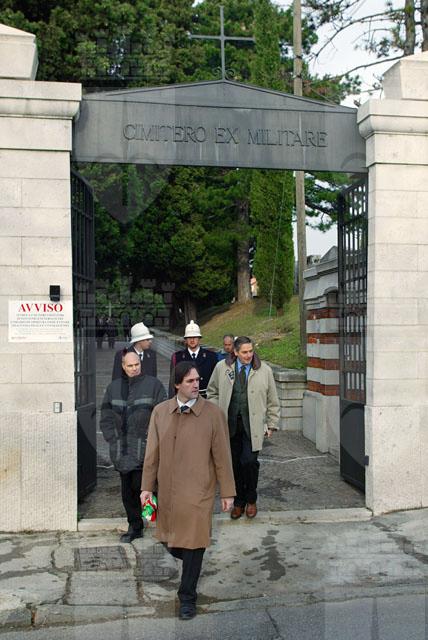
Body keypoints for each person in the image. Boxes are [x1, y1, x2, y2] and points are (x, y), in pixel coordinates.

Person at [140, 361, 235, 621]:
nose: (196, 385)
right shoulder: (160, 412)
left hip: (199, 492)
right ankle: (188, 561)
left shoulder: (213, 414)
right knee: (168, 539)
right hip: (168, 492)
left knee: (195, 543)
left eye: (198, 380)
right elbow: (151, 454)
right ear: (177, 385)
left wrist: (228, 492)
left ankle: (187, 598)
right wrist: (146, 487)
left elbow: (222, 456)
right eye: (190, 381)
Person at [207, 336, 280, 520]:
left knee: (249, 462)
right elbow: (212, 392)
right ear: (235, 352)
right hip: (229, 425)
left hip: (253, 426)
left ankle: (251, 499)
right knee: (234, 465)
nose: (248, 355)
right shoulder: (222, 368)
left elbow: (273, 400)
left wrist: (272, 423)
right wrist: (217, 413)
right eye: (244, 352)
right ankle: (239, 502)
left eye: (251, 351)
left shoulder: (264, 371)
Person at [100, 351, 166, 543]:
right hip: (122, 451)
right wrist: (112, 439)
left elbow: (163, 417)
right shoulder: (113, 388)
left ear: (140, 363)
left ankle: (155, 521)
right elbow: (106, 417)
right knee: (128, 492)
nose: (134, 368)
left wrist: (154, 442)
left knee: (146, 487)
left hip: (146, 449)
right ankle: (135, 527)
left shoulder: (154, 385)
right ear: (123, 366)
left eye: (136, 364)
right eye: (130, 365)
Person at [169, 320, 217, 397]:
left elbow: (216, 382)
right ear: (185, 339)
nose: (192, 340)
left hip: (206, 398)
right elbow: (173, 382)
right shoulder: (177, 357)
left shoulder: (211, 357)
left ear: (199, 338)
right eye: (189, 337)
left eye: (194, 337)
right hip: (185, 398)